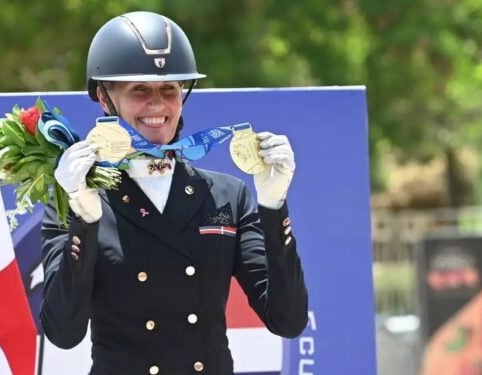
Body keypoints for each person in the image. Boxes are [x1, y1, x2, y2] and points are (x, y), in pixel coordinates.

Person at [40, 10, 308, 375]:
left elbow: (288, 319)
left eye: (169, 89)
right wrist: (85, 219)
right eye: (139, 90)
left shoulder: (227, 196)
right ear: (104, 98)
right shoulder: (73, 197)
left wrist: (273, 205)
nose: (158, 106)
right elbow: (63, 332)